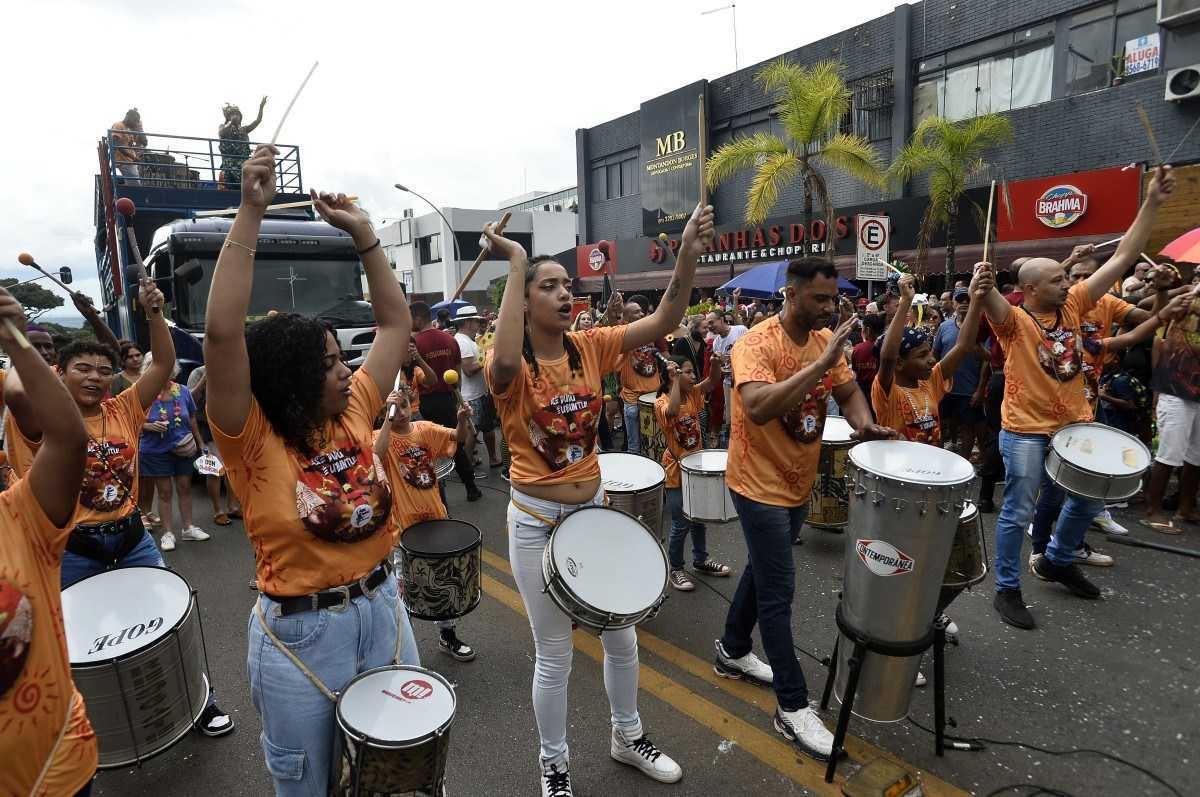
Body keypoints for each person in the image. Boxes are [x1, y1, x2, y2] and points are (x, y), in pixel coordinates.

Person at [203, 146, 417, 795]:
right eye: (328, 363)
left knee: (393, 776)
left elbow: (394, 322)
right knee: (313, 787)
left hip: (384, 609)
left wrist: (366, 238)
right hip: (302, 639)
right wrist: (250, 210)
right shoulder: (253, 440)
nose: (346, 371)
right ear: (293, 378)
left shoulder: (354, 409)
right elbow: (220, 336)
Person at [485, 202, 714, 796]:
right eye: (549, 286)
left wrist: (686, 253)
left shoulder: (591, 347)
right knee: (555, 656)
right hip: (536, 522)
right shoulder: (507, 365)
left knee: (622, 636)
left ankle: (626, 735)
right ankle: (554, 766)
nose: (565, 294)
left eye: (567, 285)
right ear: (526, 298)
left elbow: (666, 319)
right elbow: (507, 359)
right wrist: (514, 261)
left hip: (592, 515)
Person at [713, 257, 895, 762]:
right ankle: (792, 706)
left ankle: (731, 649)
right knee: (778, 590)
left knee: (762, 570)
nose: (829, 306)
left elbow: (848, 391)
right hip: (756, 483)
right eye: (819, 298)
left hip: (798, 480)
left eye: (832, 297)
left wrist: (864, 423)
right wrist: (819, 363)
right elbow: (758, 406)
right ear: (791, 295)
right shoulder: (756, 343)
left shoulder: (824, 343)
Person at [981, 165, 1175, 630]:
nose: (1066, 284)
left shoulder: (1076, 304)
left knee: (1092, 495)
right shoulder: (1013, 321)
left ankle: (1057, 559)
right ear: (1029, 290)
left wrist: (1151, 202)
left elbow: (1125, 254)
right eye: (1056, 281)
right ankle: (1007, 588)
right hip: (1025, 431)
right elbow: (989, 301)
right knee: (1018, 509)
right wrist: (980, 288)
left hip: (1074, 425)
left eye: (1065, 280)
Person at [0, 287, 97, 797]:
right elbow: (19, 394)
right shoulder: (15, 387)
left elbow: (68, 437)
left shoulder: (13, 518)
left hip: (53, 771)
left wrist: (17, 338)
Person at [374, 383, 475, 660]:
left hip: (436, 520)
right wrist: (387, 418)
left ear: (412, 403)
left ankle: (448, 635)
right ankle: (399, 648)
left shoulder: (425, 430)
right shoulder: (379, 436)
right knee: (403, 589)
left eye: (404, 406)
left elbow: (458, 438)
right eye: (393, 408)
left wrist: (462, 420)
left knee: (444, 583)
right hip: (402, 529)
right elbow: (375, 455)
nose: (400, 413)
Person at [874, 272, 986, 446]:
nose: (932, 360)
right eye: (921, 355)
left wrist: (976, 300)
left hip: (931, 468)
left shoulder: (930, 381)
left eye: (929, 352)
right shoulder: (887, 392)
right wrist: (904, 303)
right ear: (899, 362)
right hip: (898, 470)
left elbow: (963, 346)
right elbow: (888, 357)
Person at [655, 354, 727, 591]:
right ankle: (675, 568)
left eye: (692, 372)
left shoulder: (693, 393)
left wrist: (715, 365)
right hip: (676, 470)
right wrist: (675, 380)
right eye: (688, 372)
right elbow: (673, 410)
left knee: (699, 519)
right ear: (671, 377)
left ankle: (701, 559)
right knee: (681, 523)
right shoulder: (661, 402)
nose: (693, 376)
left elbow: (712, 382)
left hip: (696, 466)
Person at [1142, 286, 1200, 533]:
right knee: (1169, 453)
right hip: (1176, 390)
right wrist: (1172, 291)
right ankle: (1152, 511)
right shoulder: (1187, 300)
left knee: (1196, 456)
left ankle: (1185, 507)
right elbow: (1149, 304)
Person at [411, 301, 482, 501]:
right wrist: (456, 396)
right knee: (455, 443)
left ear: (417, 318)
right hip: (448, 398)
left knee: (428, 447)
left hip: (425, 401)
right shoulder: (450, 340)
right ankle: (471, 488)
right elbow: (457, 373)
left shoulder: (415, 343)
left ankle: (438, 497)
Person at [137, 355, 209, 550]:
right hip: (155, 450)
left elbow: (192, 417)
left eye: (164, 365)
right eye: (154, 366)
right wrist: (149, 426)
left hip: (183, 448)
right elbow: (130, 420)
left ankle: (188, 528)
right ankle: (168, 533)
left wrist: (200, 442)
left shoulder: (183, 391)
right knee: (165, 492)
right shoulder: (142, 392)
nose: (160, 370)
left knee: (185, 488)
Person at [932, 286, 986, 455]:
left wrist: (980, 389)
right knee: (940, 425)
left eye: (967, 300)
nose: (963, 303)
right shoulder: (944, 326)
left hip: (969, 388)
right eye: (960, 300)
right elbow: (935, 353)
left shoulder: (981, 326)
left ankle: (964, 461)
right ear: (953, 303)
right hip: (944, 387)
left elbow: (986, 360)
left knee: (968, 427)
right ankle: (936, 458)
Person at [186, 365, 241, 526]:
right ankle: (218, 510)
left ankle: (232, 506)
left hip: (230, 426)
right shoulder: (197, 373)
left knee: (232, 469)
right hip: (207, 428)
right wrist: (205, 379)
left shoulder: (232, 370)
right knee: (214, 471)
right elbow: (190, 400)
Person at [453, 305, 501, 468]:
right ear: (467, 322)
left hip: (481, 392)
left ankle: (493, 458)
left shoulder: (467, 340)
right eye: (475, 321)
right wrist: (487, 357)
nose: (478, 324)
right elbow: (468, 370)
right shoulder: (463, 342)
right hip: (472, 395)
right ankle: (467, 465)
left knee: (487, 428)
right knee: (472, 432)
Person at [615, 298, 665, 455]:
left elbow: (664, 354)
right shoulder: (621, 333)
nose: (642, 313)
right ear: (626, 317)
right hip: (633, 399)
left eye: (641, 311)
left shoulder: (651, 331)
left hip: (654, 397)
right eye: (637, 312)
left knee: (656, 446)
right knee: (635, 448)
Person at [706, 305, 749, 446]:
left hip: (745, 381)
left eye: (712, 322)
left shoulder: (740, 330)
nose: (709, 326)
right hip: (728, 383)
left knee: (746, 415)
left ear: (722, 320)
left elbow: (752, 352)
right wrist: (719, 364)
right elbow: (722, 367)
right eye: (708, 324)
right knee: (732, 417)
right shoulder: (717, 343)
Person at [218, 97, 267, 189]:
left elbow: (257, 121)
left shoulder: (244, 129)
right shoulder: (224, 127)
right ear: (228, 117)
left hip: (244, 162)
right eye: (233, 114)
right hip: (229, 163)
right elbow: (221, 133)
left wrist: (261, 107)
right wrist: (231, 124)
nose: (236, 116)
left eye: (237, 114)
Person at [850, 313, 886, 403]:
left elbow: (855, 373)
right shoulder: (888, 347)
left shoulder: (859, 349)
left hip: (863, 396)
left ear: (867, 330)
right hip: (884, 394)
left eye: (862, 328)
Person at [110, 108, 146, 183]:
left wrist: (140, 129)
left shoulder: (129, 130)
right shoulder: (118, 125)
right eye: (135, 120)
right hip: (124, 161)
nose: (135, 123)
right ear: (129, 117)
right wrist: (133, 157)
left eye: (137, 121)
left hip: (130, 161)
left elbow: (144, 142)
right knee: (135, 185)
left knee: (136, 183)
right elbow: (116, 144)